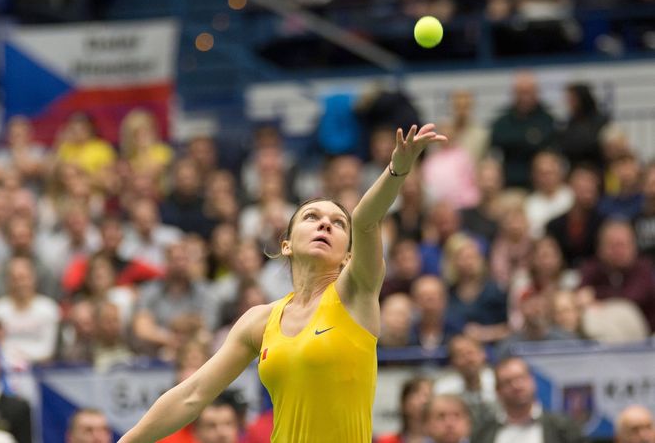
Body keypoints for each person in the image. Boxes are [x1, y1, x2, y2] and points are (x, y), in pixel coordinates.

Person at [119, 122, 447, 442]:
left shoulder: (356, 293)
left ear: (348, 256)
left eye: (337, 223)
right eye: (311, 217)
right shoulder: (259, 321)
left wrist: (397, 170)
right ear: (286, 244)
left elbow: (363, 220)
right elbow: (193, 394)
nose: (325, 225)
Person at [472, 357, 586, 443]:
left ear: (532, 381)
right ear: (498, 391)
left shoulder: (563, 427)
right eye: (507, 382)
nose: (516, 385)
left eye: (521, 378)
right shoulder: (483, 434)